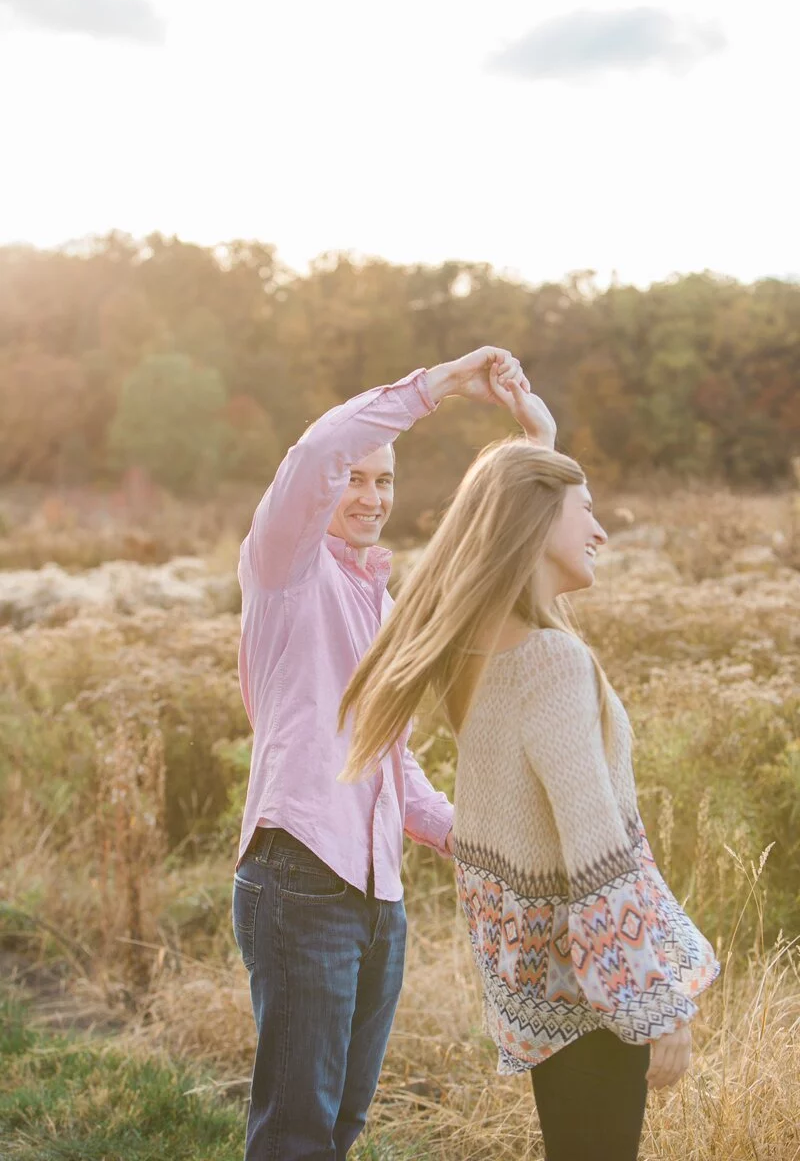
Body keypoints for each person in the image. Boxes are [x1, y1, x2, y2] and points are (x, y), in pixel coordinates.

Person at [339, 372, 720, 1161]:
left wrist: (536, 445)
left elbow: (505, 514)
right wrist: (658, 1008)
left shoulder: (479, 649)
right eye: (588, 511)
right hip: (594, 998)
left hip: (545, 986)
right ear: (541, 515)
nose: (602, 533)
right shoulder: (548, 660)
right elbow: (598, 860)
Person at [231, 346, 554, 1160]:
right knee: (298, 1133)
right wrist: (441, 385)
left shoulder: (384, 601)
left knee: (340, 1127)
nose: (369, 496)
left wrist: (468, 836)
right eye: (357, 479)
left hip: (379, 896)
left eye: (385, 483)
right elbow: (318, 451)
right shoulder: (285, 567)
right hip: (300, 877)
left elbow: (392, 764)